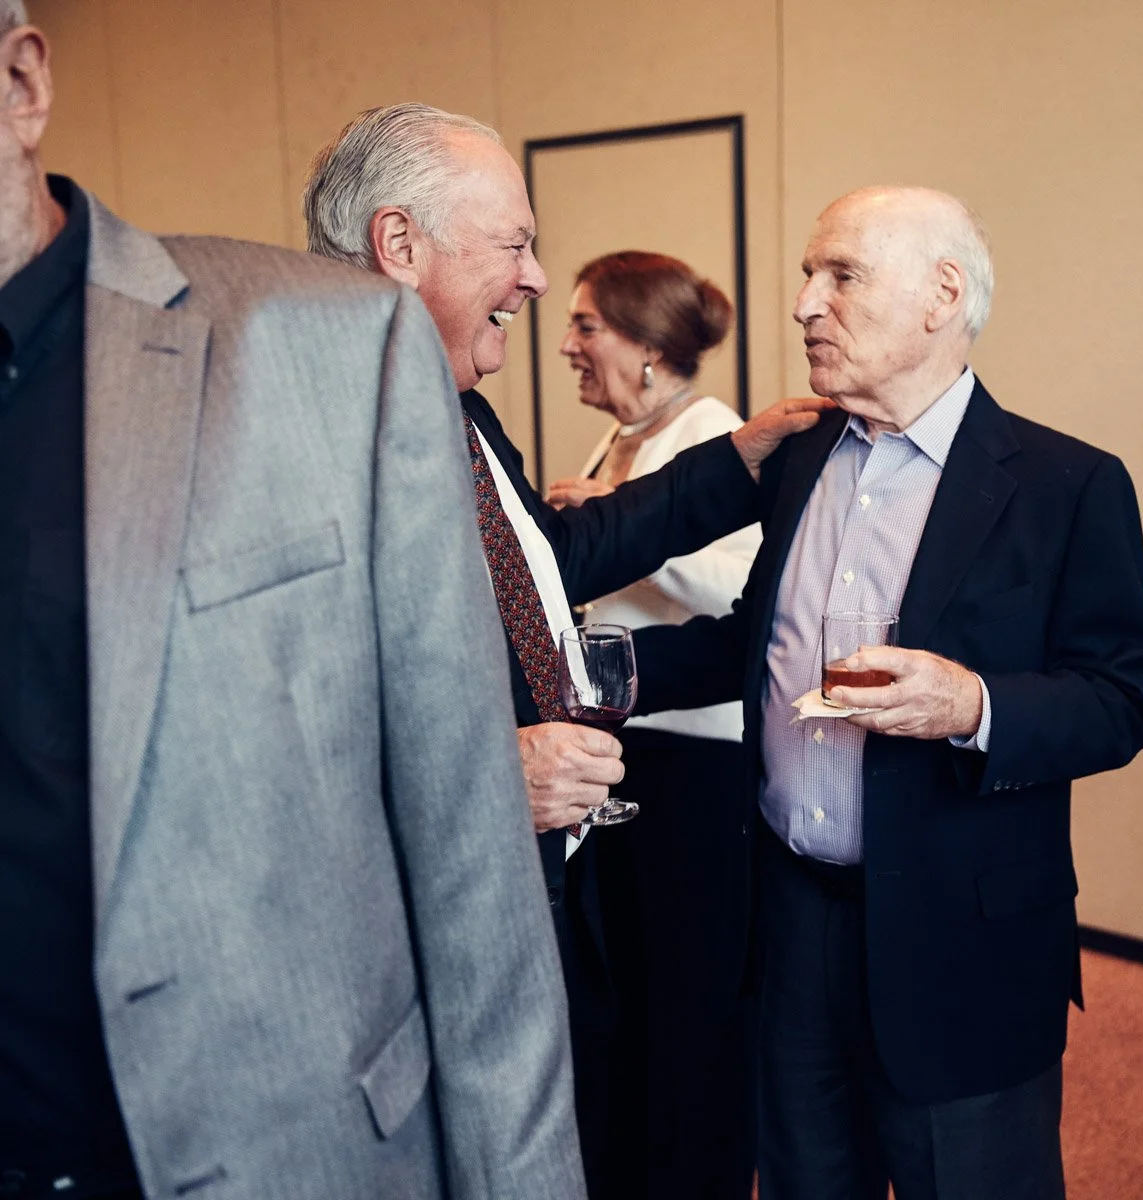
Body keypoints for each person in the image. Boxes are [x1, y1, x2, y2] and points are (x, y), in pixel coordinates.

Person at [0, 8, 586, 1198]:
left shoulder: (330, 351)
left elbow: (475, 884)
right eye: (511, 245)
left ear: (21, 81)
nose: (537, 278)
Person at [301, 105, 824, 1198]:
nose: (537, 282)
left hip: (556, 877)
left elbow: (555, 554)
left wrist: (737, 455)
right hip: (434, 930)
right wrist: (497, 772)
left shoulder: (461, 408)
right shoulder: (301, 435)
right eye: (514, 245)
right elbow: (298, 726)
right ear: (401, 248)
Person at [633, 186, 1143, 1199]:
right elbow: (761, 643)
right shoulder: (798, 459)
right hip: (788, 921)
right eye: (807, 274)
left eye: (841, 274)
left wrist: (975, 707)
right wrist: (592, 672)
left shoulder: (1067, 485)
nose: (802, 304)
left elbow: (1116, 701)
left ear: (940, 296)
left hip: (960, 943)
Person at [543, 250, 759, 1198]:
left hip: (697, 769)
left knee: (690, 1003)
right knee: (624, 990)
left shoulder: (713, 435)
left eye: (587, 326)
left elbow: (738, 591)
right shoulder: (620, 439)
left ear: (649, 347)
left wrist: (621, 521)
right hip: (625, 754)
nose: (567, 346)